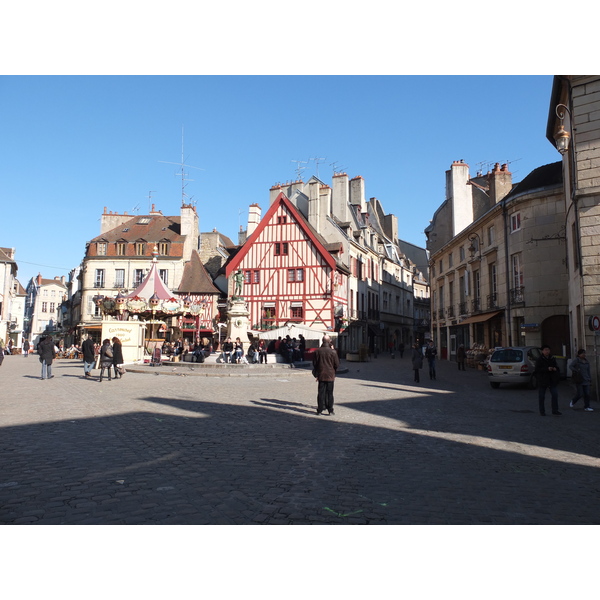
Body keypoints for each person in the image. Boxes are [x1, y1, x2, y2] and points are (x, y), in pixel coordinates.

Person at [312, 334, 340, 416]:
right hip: (330, 375)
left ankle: (320, 409)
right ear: (329, 341)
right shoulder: (333, 352)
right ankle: (330, 410)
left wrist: (317, 373)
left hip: (321, 374)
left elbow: (314, 363)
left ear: (322, 341)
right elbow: (337, 364)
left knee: (321, 392)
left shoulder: (317, 351)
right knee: (330, 393)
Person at [535, 345, 561, 416]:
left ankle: (555, 410)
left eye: (548, 350)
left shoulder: (552, 358)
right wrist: (547, 369)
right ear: (542, 351)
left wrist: (555, 369)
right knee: (542, 396)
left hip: (552, 379)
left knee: (555, 394)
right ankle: (542, 411)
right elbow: (537, 370)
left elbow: (557, 367)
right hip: (543, 380)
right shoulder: (539, 359)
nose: (547, 351)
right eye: (546, 350)